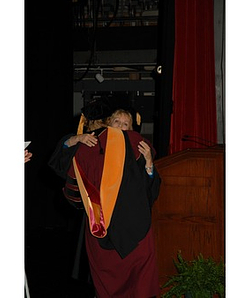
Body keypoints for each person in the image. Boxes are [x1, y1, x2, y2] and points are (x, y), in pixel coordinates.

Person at [49, 98, 161, 298]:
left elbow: (151, 190)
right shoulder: (91, 145)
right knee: (106, 280)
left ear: (132, 129)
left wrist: (149, 164)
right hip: (100, 225)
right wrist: (76, 139)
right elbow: (62, 166)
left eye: (125, 124)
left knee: (139, 278)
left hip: (133, 224)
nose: (120, 127)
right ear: (107, 124)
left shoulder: (139, 148)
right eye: (116, 122)